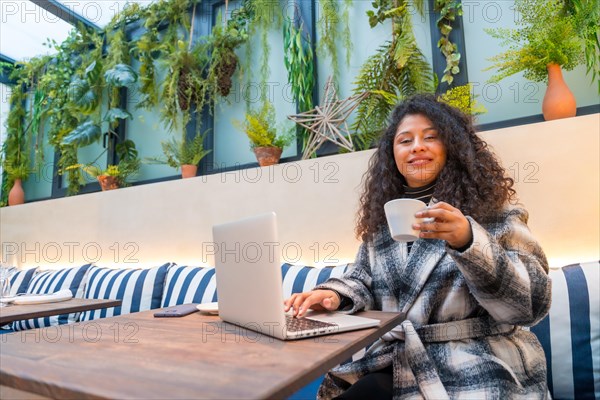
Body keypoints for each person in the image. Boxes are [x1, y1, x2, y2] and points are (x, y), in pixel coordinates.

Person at [284, 94, 552, 399]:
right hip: (398, 360)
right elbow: (361, 279)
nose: (417, 147)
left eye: (431, 137)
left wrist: (468, 240)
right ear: (393, 155)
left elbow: (531, 305)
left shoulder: (497, 217)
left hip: (480, 364)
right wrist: (334, 295)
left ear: (452, 147)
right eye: (405, 140)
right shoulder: (382, 231)